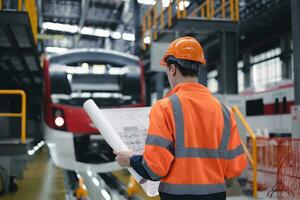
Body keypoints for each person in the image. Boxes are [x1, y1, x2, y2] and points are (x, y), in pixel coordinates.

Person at [114, 36, 247, 200]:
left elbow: (155, 169)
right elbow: (235, 167)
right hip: (216, 195)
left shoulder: (165, 108)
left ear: (172, 69)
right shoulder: (225, 111)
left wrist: (131, 159)